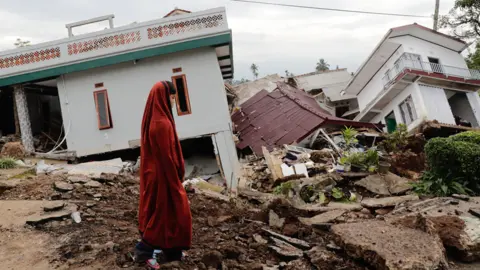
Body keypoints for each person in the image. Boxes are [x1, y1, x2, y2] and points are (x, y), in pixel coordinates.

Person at [135, 81, 192, 264]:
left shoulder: (153, 119)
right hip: (164, 177)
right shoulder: (161, 124)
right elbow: (168, 157)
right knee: (169, 213)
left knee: (168, 213)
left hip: (157, 175)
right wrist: (177, 176)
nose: (174, 101)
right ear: (165, 97)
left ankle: (172, 251)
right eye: (172, 97)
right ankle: (144, 249)